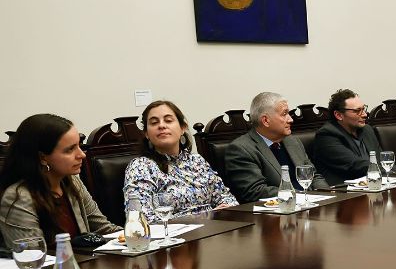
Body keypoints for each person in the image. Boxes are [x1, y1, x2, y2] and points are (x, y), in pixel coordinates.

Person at [0, 114, 120, 248]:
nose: (82, 155)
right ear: (42, 157)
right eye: (70, 149)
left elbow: (104, 229)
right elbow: (33, 256)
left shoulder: (72, 182)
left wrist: (137, 236)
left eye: (79, 146)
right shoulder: (18, 198)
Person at [124, 100, 237, 222]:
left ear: (182, 128)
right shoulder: (141, 166)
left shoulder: (197, 161)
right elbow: (141, 219)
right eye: (154, 122)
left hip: (214, 231)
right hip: (172, 238)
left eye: (168, 120)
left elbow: (227, 198)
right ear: (146, 134)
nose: (161, 126)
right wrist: (206, 216)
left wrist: (225, 210)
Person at [224, 92, 329, 202]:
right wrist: (302, 196)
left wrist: (328, 197)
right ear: (265, 120)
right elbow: (255, 191)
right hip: (276, 214)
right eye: (284, 114)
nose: (290, 119)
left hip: (310, 205)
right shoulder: (241, 149)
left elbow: (314, 176)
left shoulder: (292, 141)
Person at [313, 89, 390, 185]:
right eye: (357, 111)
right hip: (345, 194)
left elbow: (382, 160)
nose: (365, 115)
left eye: (364, 109)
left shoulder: (367, 130)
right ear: (339, 115)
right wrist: (388, 172)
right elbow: (355, 165)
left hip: (375, 186)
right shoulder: (326, 136)